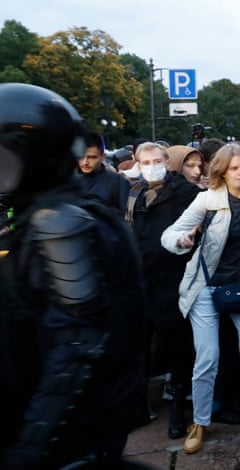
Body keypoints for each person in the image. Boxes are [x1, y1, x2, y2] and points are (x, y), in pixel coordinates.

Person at [0, 83, 146, 468]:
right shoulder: (56, 213)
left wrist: (31, 449)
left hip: (74, 433)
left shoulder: (59, 223)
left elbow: (76, 350)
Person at [161, 143, 240, 453]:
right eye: (235, 168)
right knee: (207, 358)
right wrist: (184, 240)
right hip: (206, 289)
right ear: (221, 172)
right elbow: (169, 235)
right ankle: (199, 421)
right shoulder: (207, 200)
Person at [125, 141, 202, 439]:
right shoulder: (134, 193)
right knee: (140, 345)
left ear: (168, 162)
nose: (152, 165)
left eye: (157, 160)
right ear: (137, 163)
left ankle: (179, 412)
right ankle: (139, 406)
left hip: (174, 278)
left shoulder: (185, 193)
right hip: (142, 281)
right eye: (146, 161)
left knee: (177, 347)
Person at [76, 131, 131, 213]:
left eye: (92, 157)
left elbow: (126, 217)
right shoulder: (67, 181)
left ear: (103, 157)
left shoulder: (118, 182)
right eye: (80, 156)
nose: (85, 162)